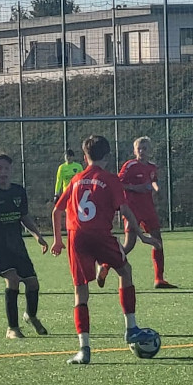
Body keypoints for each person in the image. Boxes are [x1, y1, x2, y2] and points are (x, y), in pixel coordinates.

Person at [51, 134, 162, 365]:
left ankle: (84, 348)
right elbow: (125, 211)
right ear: (108, 156)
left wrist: (58, 241)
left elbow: (56, 211)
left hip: (76, 237)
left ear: (84, 157)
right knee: (125, 271)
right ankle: (131, 328)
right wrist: (141, 235)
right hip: (101, 235)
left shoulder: (76, 179)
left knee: (80, 292)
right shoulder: (110, 179)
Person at [0, 152, 49, 340]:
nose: (3, 172)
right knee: (12, 279)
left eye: (6, 168)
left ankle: (31, 315)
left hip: (16, 245)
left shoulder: (18, 191)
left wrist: (37, 236)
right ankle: (12, 328)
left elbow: (24, 216)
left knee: (33, 283)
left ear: (12, 170)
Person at [96, 136, 175, 290]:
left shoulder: (152, 167)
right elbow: (118, 183)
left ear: (149, 150)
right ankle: (106, 265)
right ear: (134, 151)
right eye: (139, 148)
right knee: (129, 244)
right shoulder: (130, 165)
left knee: (157, 240)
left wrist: (157, 189)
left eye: (145, 148)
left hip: (148, 208)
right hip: (132, 208)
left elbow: (153, 181)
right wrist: (135, 188)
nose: (142, 151)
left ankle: (159, 279)